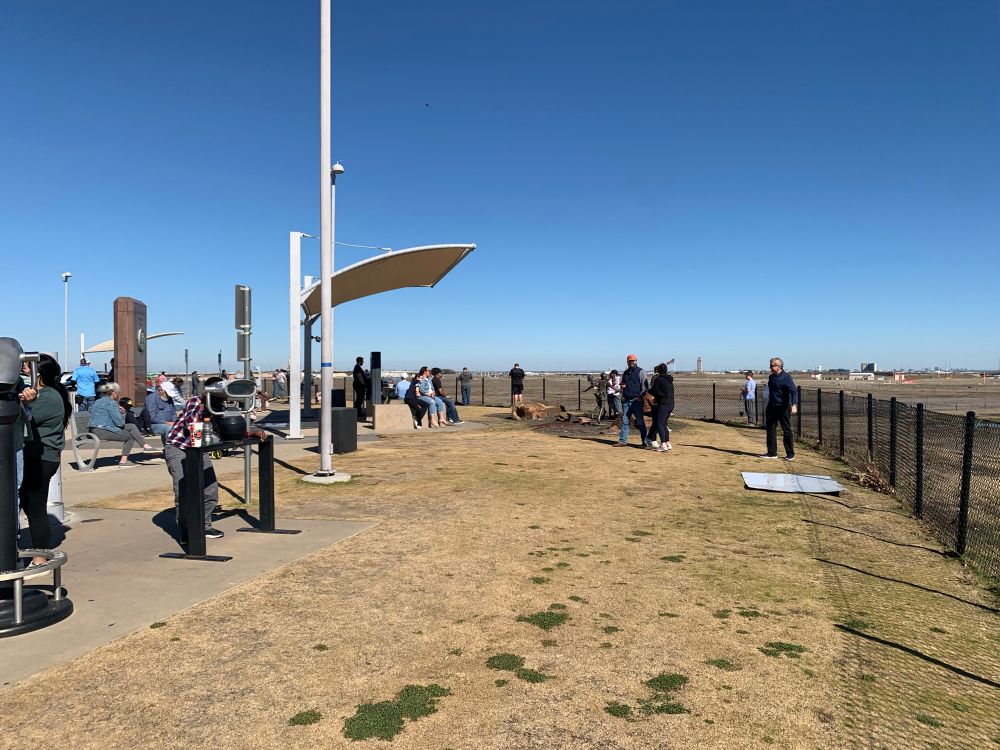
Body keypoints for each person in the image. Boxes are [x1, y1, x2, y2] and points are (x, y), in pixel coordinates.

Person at [19, 359, 72, 567]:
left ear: (38, 373)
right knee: (29, 504)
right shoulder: (47, 394)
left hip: (40, 458)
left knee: (35, 508)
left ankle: (40, 556)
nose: (23, 369)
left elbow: (24, 419)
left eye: (28, 367)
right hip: (37, 457)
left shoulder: (48, 396)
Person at [87, 382, 156, 467]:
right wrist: (123, 413)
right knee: (130, 436)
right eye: (117, 393)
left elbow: (95, 412)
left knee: (131, 426)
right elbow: (119, 423)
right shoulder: (111, 403)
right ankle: (124, 460)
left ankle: (146, 446)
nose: (117, 395)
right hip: (102, 431)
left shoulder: (98, 401)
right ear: (113, 392)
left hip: (94, 429)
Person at [761, 357, 798, 460]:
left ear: (778, 366)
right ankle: (772, 453)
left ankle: (790, 454)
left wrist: (794, 404)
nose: (770, 368)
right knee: (770, 429)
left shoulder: (786, 378)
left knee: (787, 430)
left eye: (772, 366)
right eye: (770, 366)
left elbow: (794, 391)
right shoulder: (771, 377)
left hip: (783, 408)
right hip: (772, 406)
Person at [615, 354, 649, 448]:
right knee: (625, 421)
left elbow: (645, 386)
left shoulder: (641, 372)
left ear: (636, 361)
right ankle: (623, 441)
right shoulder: (625, 373)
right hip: (626, 400)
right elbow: (623, 384)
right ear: (627, 362)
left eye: (633, 361)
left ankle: (645, 441)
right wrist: (623, 389)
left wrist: (641, 397)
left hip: (637, 401)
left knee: (640, 422)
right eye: (630, 361)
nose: (632, 362)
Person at [648, 363, 675, 452]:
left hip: (663, 404)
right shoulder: (669, 379)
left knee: (659, 424)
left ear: (658, 371)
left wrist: (648, 391)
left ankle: (663, 444)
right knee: (664, 424)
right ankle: (667, 443)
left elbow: (654, 391)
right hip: (671, 403)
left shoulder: (658, 379)